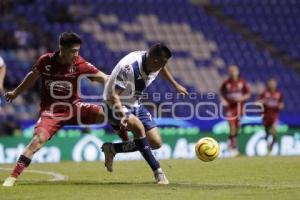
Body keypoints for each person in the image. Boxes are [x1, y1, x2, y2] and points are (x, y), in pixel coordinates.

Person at [2, 32, 108, 187]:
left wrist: (119, 82)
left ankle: (115, 148)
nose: (76, 54)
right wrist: (16, 92)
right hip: (51, 112)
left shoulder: (79, 63)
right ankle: (12, 177)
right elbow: (32, 76)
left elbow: (104, 78)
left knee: (110, 115)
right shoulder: (45, 61)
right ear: (61, 48)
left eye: (78, 50)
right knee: (37, 141)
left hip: (74, 107)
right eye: (73, 51)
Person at [101, 43, 188, 185]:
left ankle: (112, 149)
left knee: (156, 142)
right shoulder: (129, 68)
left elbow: (162, 68)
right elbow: (114, 95)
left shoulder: (154, 61)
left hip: (134, 102)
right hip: (113, 103)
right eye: (162, 63)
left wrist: (175, 85)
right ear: (155, 61)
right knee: (138, 127)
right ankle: (158, 173)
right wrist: (122, 115)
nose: (163, 66)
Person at [220, 65, 251, 157]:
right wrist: (223, 100)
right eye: (231, 71)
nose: (232, 72)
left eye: (234, 71)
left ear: (237, 72)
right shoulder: (226, 83)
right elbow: (221, 92)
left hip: (239, 108)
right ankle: (232, 148)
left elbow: (248, 93)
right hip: (230, 108)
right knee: (232, 127)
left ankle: (232, 143)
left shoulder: (242, 82)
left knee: (237, 129)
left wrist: (242, 98)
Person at [257, 78, 284, 154]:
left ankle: (271, 146)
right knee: (267, 133)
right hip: (265, 116)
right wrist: (263, 101)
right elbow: (257, 103)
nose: (272, 84)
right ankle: (268, 145)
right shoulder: (264, 93)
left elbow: (281, 104)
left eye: (273, 83)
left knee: (274, 131)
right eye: (271, 83)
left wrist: (279, 105)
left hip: (274, 116)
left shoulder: (279, 93)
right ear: (268, 84)